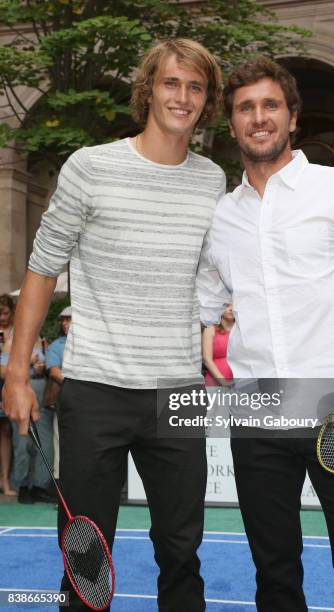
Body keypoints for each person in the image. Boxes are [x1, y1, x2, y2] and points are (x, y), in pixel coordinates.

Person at [3, 38, 224, 611]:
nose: (182, 97)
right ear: (148, 88)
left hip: (177, 394)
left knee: (182, 553)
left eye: (195, 87)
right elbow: (42, 269)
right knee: (87, 562)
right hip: (95, 389)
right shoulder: (90, 167)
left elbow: (208, 283)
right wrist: (14, 375)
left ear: (207, 100)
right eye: (171, 83)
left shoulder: (212, 181)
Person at [197, 56, 334, 611]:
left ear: (293, 118)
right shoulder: (221, 217)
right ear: (232, 122)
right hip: (257, 412)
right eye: (245, 108)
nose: (258, 117)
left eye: (271, 105)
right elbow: (201, 304)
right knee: (275, 573)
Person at [1, 334, 54, 504]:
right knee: (22, 442)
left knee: (45, 444)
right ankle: (23, 486)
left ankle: (39, 486)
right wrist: (28, 362)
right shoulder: (11, 341)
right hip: (22, 392)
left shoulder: (44, 341)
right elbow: (2, 371)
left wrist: (41, 367)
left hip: (41, 393)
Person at [45, 306, 72, 480]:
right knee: (60, 442)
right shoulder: (57, 345)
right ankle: (60, 488)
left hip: (92, 400)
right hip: (66, 399)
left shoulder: (91, 344)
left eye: (69, 319)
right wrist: (77, 384)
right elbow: (54, 372)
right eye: (63, 319)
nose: (65, 323)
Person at [0, 295, 17, 496]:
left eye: (5, 313)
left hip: (6, 386)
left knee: (5, 432)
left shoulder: (17, 333)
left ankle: (5, 480)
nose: (2, 317)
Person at [202, 304, 234, 386]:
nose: (231, 309)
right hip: (215, 382)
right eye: (227, 306)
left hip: (239, 382)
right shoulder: (210, 329)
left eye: (234, 305)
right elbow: (207, 360)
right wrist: (223, 382)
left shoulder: (240, 329)